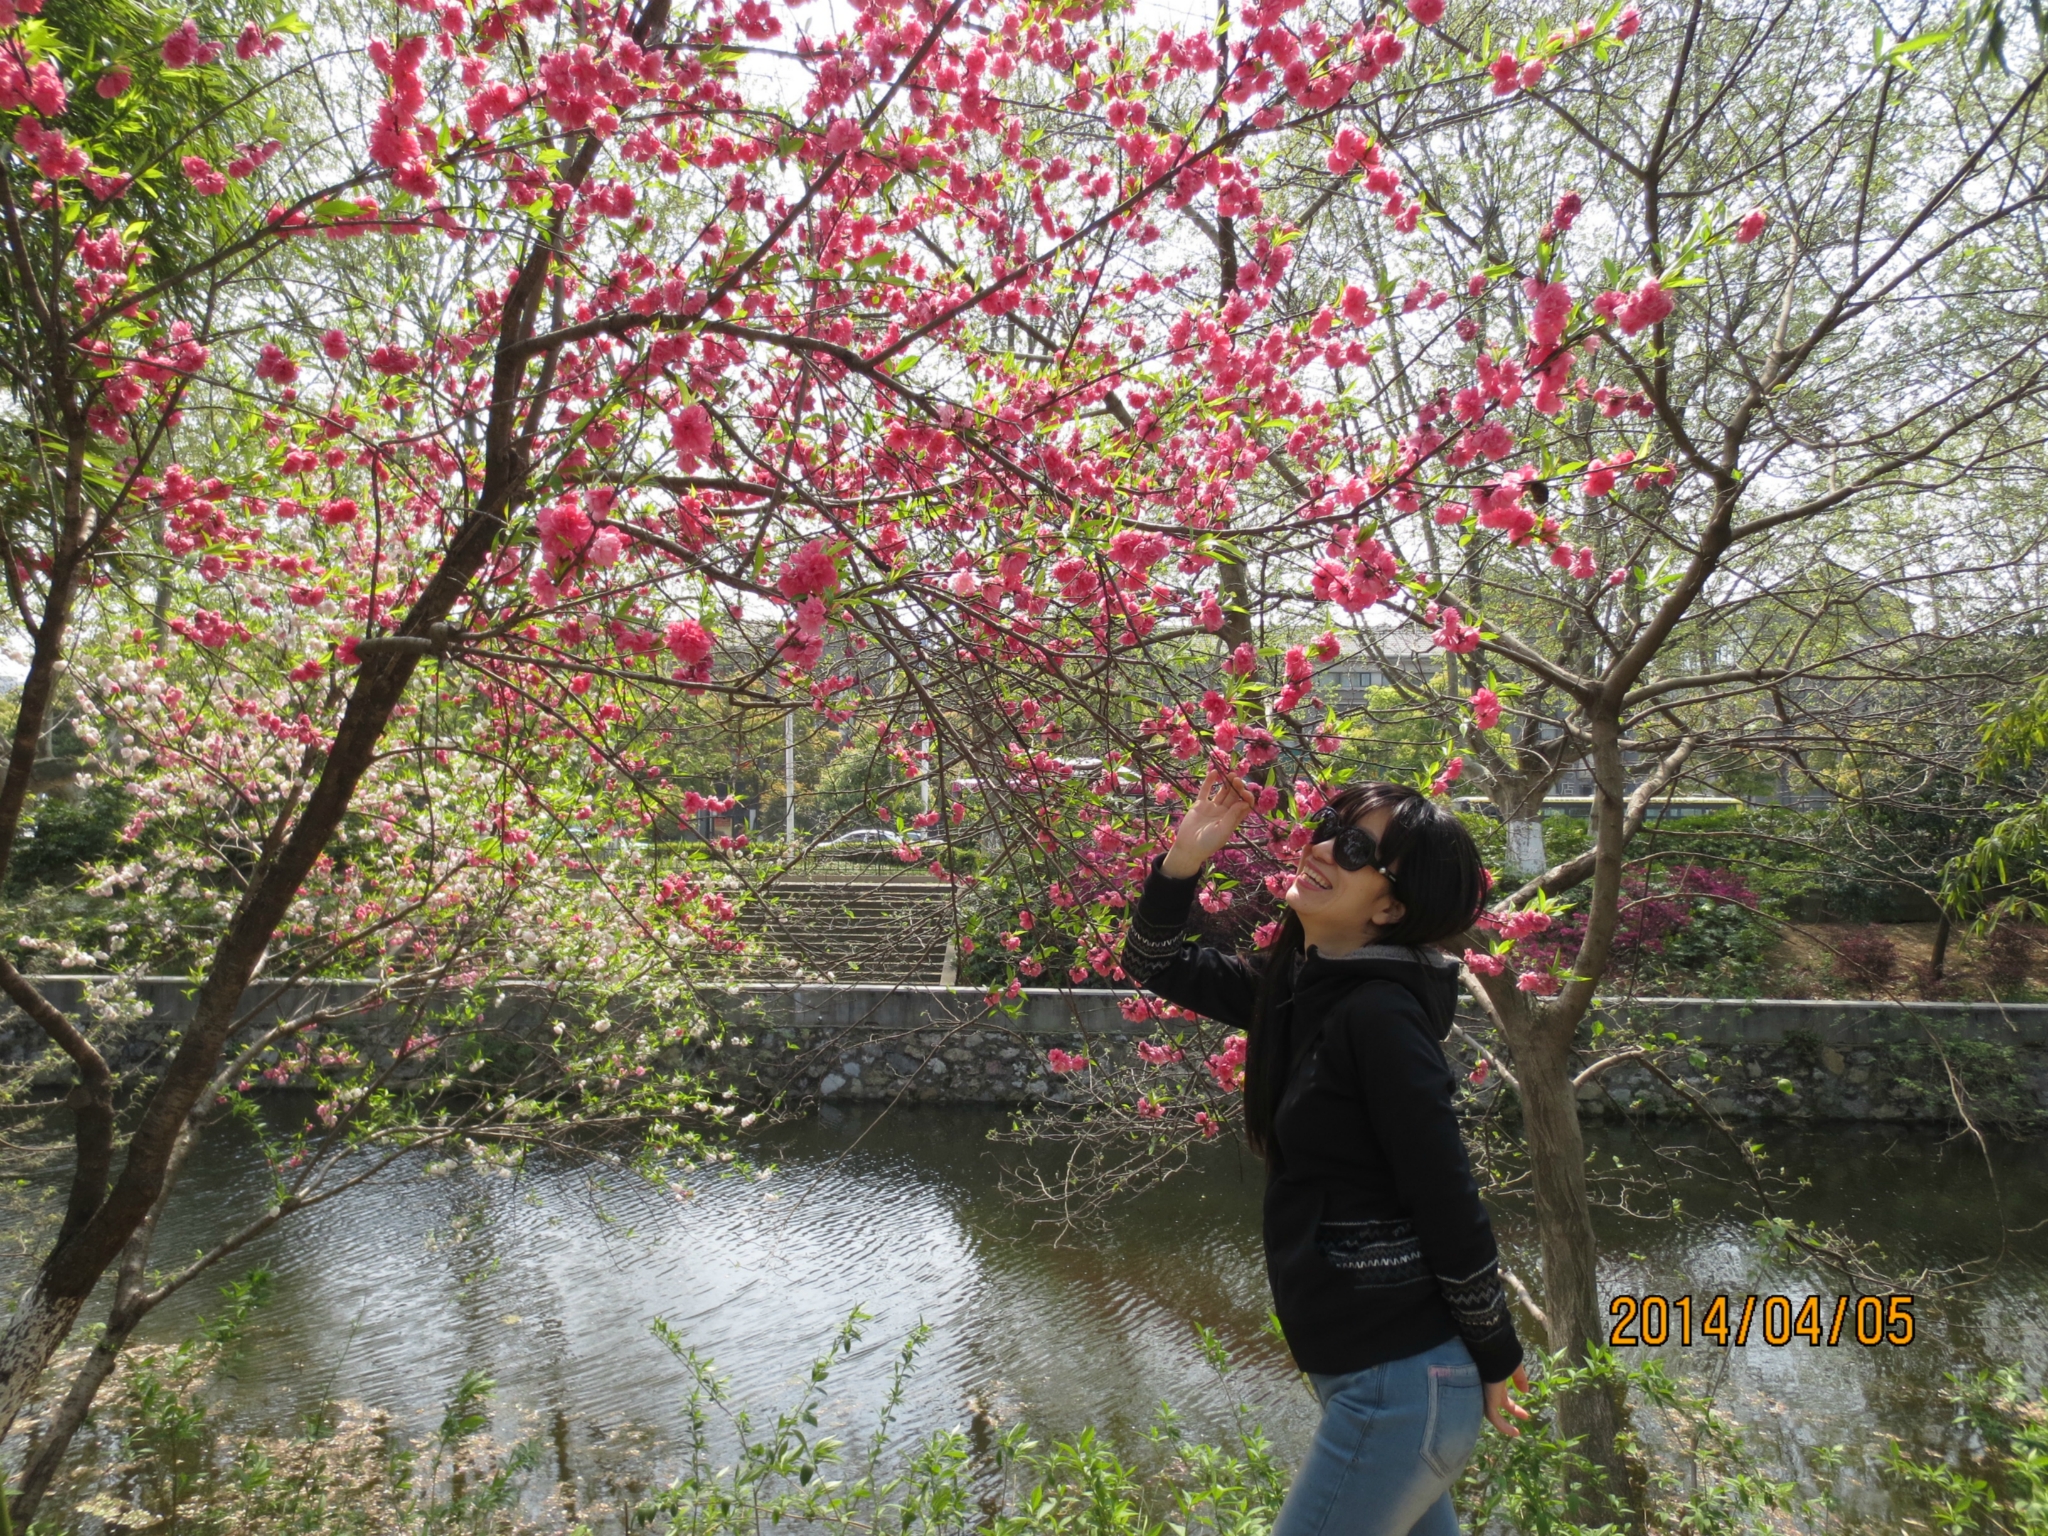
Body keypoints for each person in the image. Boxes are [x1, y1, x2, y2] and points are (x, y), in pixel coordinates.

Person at [1118, 766, 1531, 1536]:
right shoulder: (1304, 989)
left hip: (1400, 1389)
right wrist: (1182, 861)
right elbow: (1152, 963)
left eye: (1354, 848)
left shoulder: (1379, 1015)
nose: (1320, 850)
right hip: (1377, 1382)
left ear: (1393, 906)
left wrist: (1496, 1351)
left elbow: (1445, 1191)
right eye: (1327, 830)